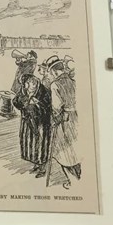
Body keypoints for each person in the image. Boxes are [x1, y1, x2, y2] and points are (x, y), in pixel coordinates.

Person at [46, 56, 81, 187]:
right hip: (76, 118)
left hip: (64, 121)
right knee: (75, 150)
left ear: (54, 71)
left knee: (64, 152)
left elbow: (56, 107)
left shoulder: (55, 84)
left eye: (51, 73)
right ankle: (79, 178)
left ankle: (73, 181)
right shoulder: (73, 81)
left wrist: (54, 119)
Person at [12, 75, 52, 177]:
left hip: (41, 123)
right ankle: (36, 164)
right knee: (30, 144)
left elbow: (48, 107)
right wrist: (26, 101)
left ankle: (42, 168)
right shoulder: (23, 91)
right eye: (29, 82)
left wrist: (38, 103)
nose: (32, 84)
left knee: (41, 145)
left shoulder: (43, 91)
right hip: (28, 122)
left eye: (33, 82)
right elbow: (15, 101)